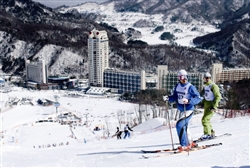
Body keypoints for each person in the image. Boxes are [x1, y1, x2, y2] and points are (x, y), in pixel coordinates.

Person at [163, 69, 202, 151]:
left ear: (187, 77)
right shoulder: (177, 86)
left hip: (188, 109)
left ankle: (184, 144)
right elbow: (175, 97)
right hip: (181, 109)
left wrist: (189, 101)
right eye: (181, 77)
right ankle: (190, 142)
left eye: (185, 77)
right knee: (184, 127)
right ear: (179, 78)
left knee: (179, 125)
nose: (183, 79)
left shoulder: (190, 87)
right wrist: (168, 98)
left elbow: (198, 98)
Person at [200, 72, 221, 140]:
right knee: (207, 119)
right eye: (205, 78)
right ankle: (211, 132)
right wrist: (202, 103)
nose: (207, 79)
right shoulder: (206, 86)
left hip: (211, 105)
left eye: (208, 78)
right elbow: (206, 96)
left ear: (210, 78)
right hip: (207, 104)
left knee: (204, 120)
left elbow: (218, 96)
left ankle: (207, 134)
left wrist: (214, 106)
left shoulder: (213, 86)